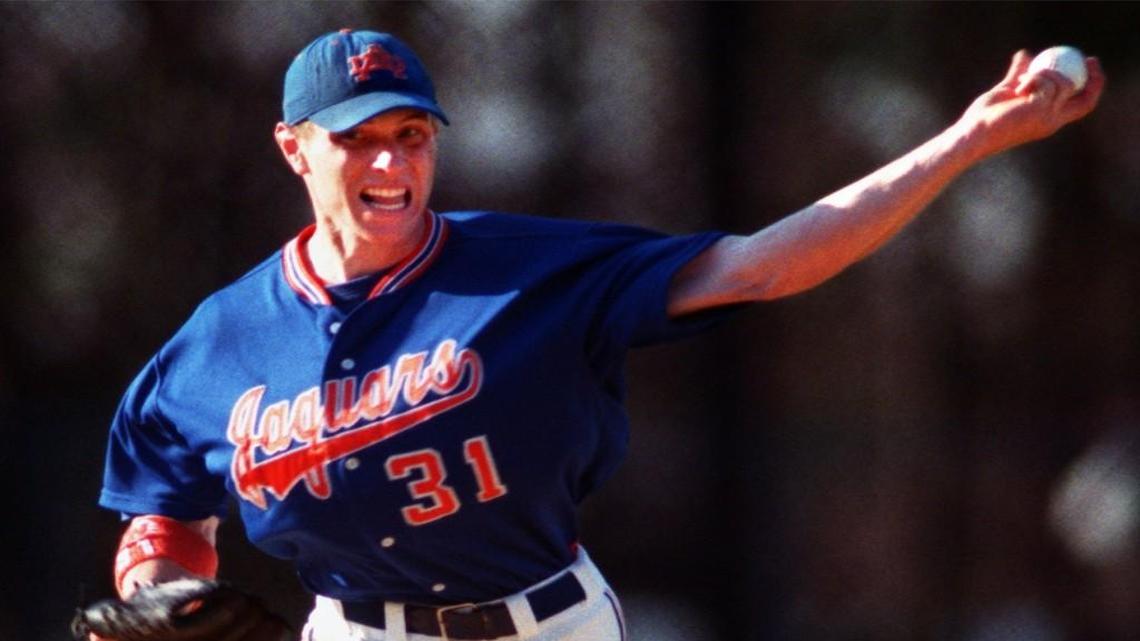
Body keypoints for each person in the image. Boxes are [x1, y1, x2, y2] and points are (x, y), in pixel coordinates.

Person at [89, 29, 1103, 641]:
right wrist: (162, 594)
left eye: (411, 135)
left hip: (545, 624)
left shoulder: (533, 268)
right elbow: (163, 522)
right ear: (294, 148)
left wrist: (963, 143)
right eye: (357, 138)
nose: (390, 164)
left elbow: (763, 265)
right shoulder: (217, 343)